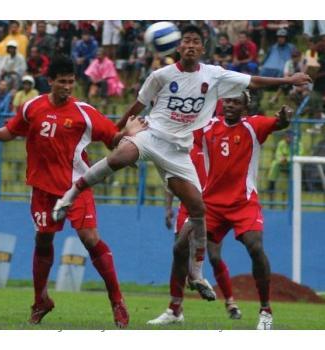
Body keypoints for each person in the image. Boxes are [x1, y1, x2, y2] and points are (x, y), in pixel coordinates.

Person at [52, 25, 312, 312]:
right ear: (177, 46)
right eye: (186, 40)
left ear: (202, 49)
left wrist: (289, 79)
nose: (190, 45)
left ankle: (197, 274)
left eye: (195, 42)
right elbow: (137, 106)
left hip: (179, 152)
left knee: (198, 209)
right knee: (118, 159)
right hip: (153, 136)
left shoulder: (214, 75)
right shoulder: (160, 76)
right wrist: (117, 132)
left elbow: (254, 81)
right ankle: (69, 196)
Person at [0, 55, 147, 328]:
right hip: (42, 190)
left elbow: (112, 139)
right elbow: (12, 131)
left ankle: (117, 300)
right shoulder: (32, 106)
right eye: (62, 82)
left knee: (89, 238)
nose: (68, 86)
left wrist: (128, 132)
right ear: (50, 82)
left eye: (71, 82)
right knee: (43, 240)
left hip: (77, 187)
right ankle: (40, 300)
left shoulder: (84, 112)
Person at [156, 92, 293, 330]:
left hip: (243, 203)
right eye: (227, 101)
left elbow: (278, 123)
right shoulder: (207, 128)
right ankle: (184, 296)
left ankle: (265, 311)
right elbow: (178, 133)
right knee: (179, 247)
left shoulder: (254, 126)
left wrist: (284, 119)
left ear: (245, 106)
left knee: (255, 247)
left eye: (236, 102)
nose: (230, 105)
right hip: (210, 206)